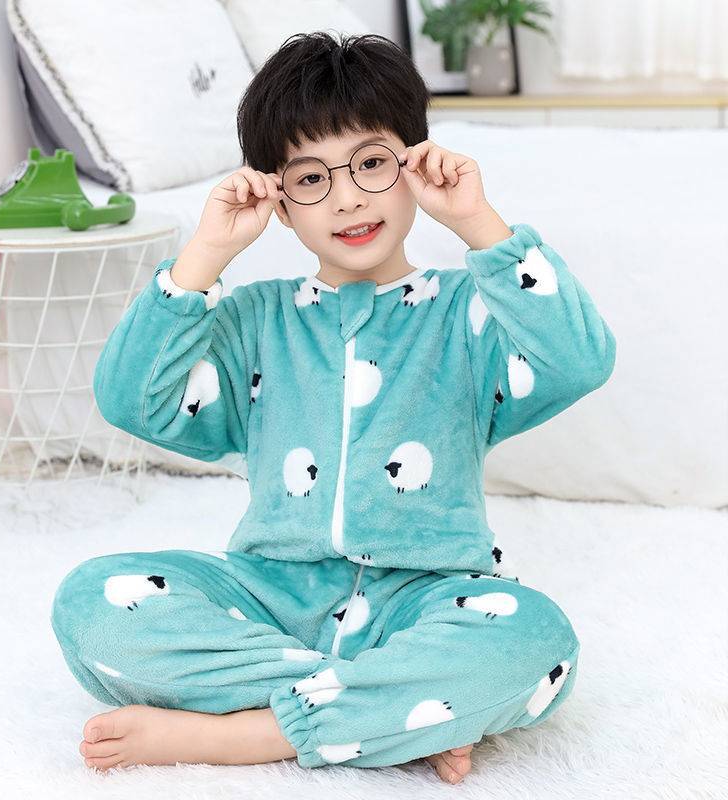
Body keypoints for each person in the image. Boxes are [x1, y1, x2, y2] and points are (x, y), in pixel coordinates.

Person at [51, 32, 616, 783]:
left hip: (428, 596)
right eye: (311, 178)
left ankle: (251, 733)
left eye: (372, 163)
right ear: (280, 202)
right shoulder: (255, 320)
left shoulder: (469, 311)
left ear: (416, 166)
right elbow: (131, 400)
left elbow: (581, 358)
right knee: (92, 602)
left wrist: (480, 223)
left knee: (538, 642)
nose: (347, 197)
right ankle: (398, 712)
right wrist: (205, 256)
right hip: (269, 596)